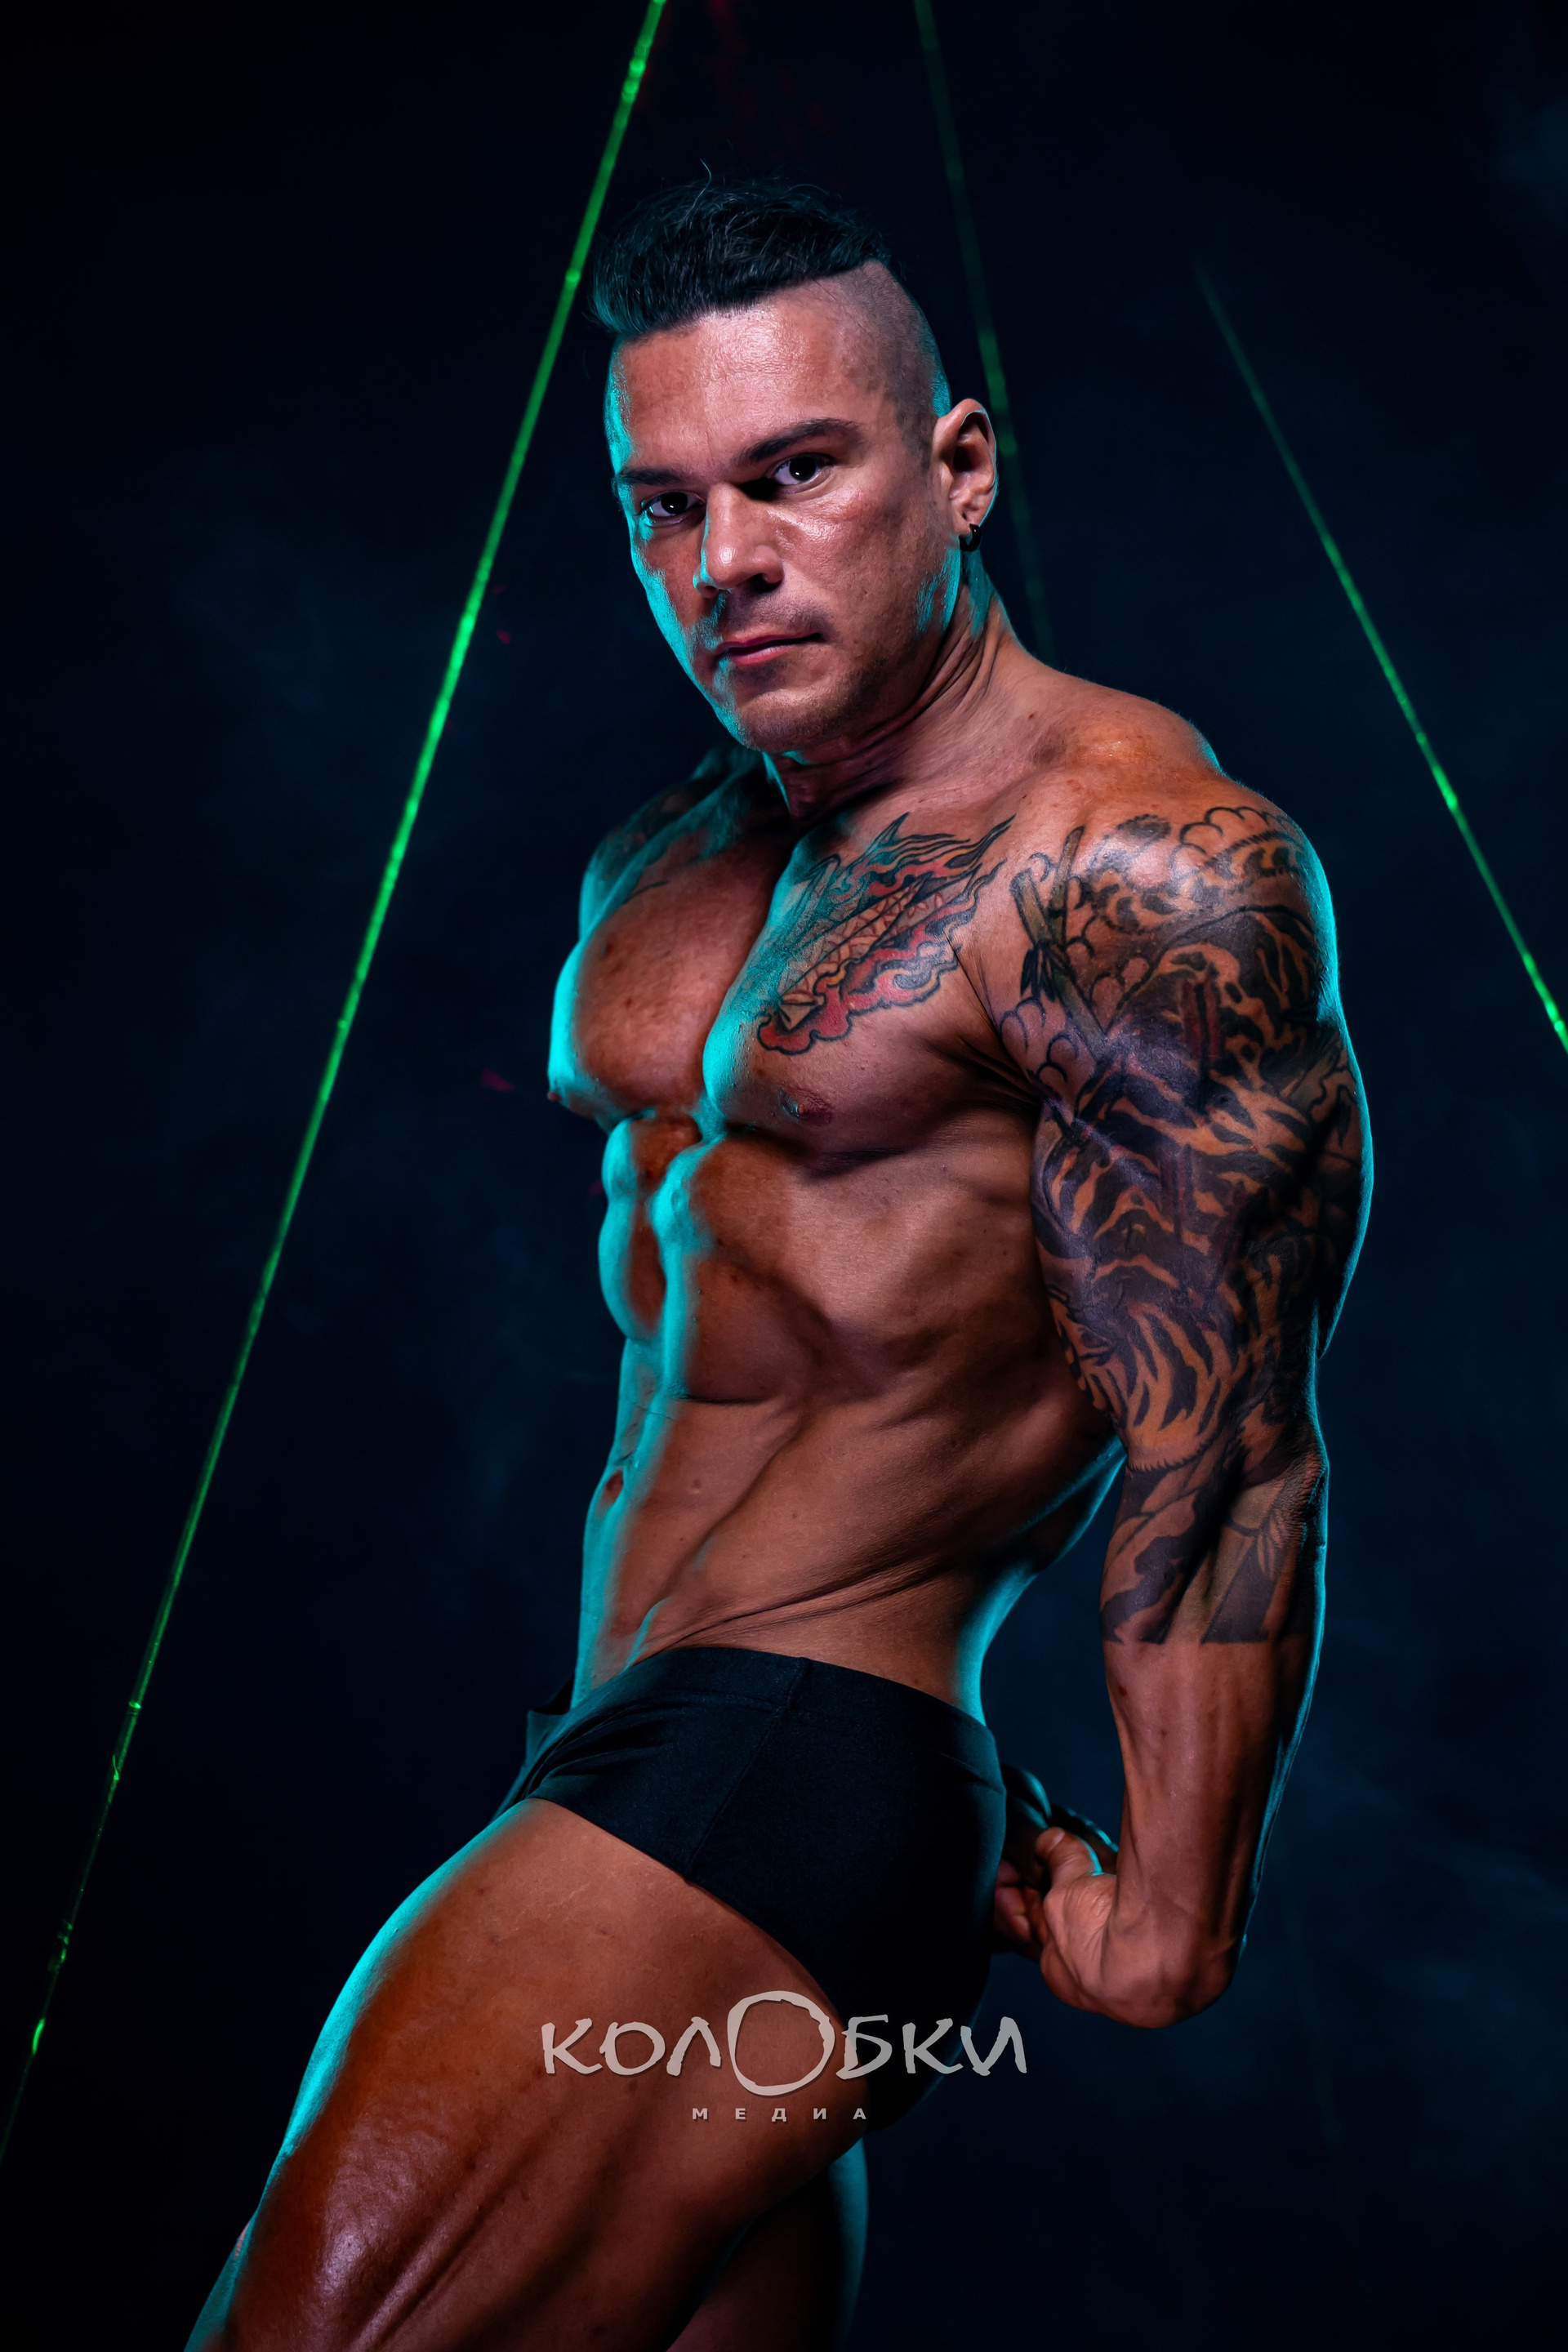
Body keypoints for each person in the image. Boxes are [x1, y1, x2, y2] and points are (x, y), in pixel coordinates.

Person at [189, 180, 1368, 2351]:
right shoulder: (677, 843)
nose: (724, 558)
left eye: (795, 472)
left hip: (783, 1764)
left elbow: (1228, 1436)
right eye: (667, 506)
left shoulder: (1134, 861)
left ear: (961, 466)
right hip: (649, 1760)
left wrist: (1171, 1916)